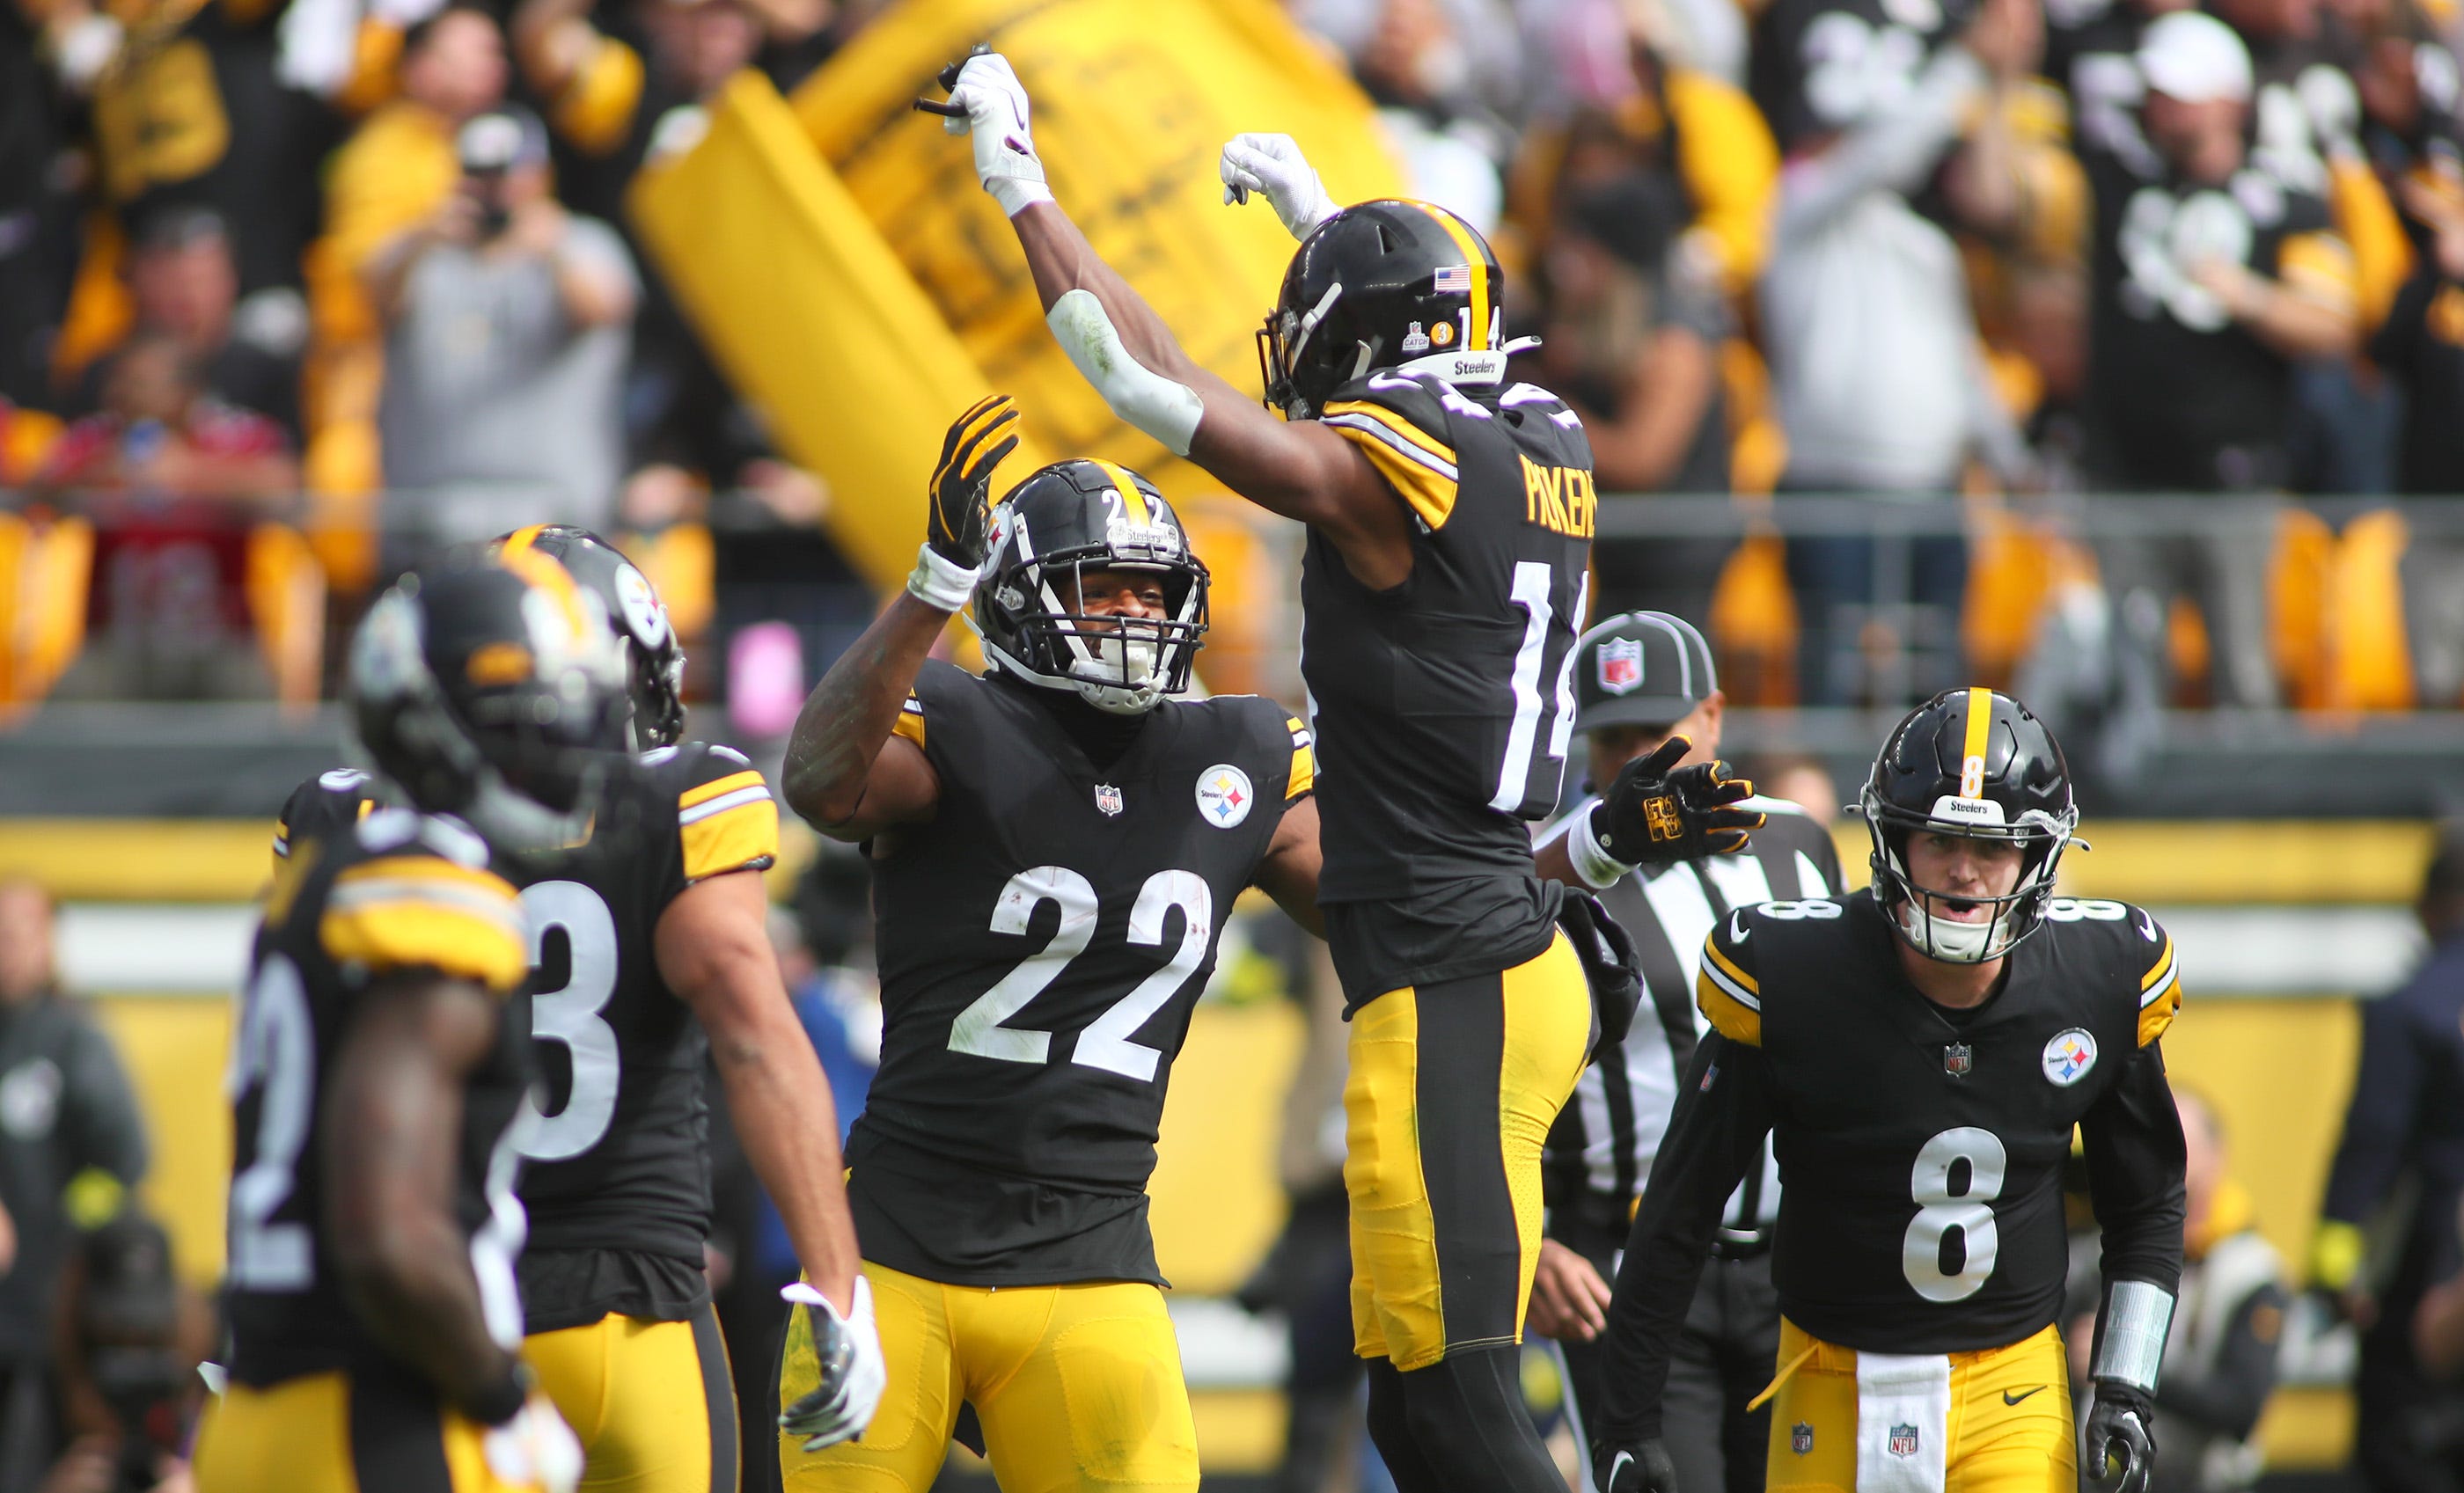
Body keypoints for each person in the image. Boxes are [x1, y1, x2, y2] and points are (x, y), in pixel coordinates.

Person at [931, 54, 1769, 1488]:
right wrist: (1326, 222)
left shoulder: (1409, 458)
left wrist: (1020, 182)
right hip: (1493, 947)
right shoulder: (1543, 431)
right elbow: (1446, 336)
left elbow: (1145, 378)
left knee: (1453, 1396)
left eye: (1323, 342)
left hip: (1450, 970)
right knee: (1410, 1404)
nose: (1300, 373)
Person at [771, 399, 1325, 1490]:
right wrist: (932, 583)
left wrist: (1574, 853)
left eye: (1152, 588)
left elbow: (1395, 903)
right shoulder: (955, 716)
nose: (1131, 611)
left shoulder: (1239, 747)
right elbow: (821, 781)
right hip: (894, 1249)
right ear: (1020, 599)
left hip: (1091, 1259)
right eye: (1099, 586)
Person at [275, 525, 884, 1489]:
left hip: (422, 1312)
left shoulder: (348, 821)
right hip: (626, 1307)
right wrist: (836, 1278)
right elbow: (754, 1037)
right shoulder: (679, 799)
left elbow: (303, 1094)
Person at [1593, 688, 2189, 1493]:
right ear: (1891, 840)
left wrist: (2123, 1386)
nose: (1964, 869)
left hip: (2010, 1381)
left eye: (1995, 843)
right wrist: (1627, 1417)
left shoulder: (2101, 977)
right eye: (1939, 837)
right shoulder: (1796, 976)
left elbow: (2147, 1204)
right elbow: (1679, 1206)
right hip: (1830, 1371)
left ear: (2039, 857)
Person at [194, 552, 634, 1493]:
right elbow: (389, 1234)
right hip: (379, 1418)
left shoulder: (325, 873)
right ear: (430, 723)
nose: (559, 742)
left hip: (262, 1411)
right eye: (526, 718)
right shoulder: (433, 892)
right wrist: (502, 1392)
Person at [1529, 612, 1844, 1493]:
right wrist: (1534, 1240)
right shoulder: (1548, 871)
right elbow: (1479, 1070)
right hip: (1628, 1265)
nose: (1636, 759)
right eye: (1612, 737)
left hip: (1797, 1261)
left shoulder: (1796, 839)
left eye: (1654, 731)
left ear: (1711, 714)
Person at [1751, 0, 2041, 704]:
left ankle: (1935, 815)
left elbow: (1960, 362)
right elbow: (1886, 153)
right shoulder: (1796, 212)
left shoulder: (1923, 240)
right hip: (1833, 485)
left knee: (1939, 686)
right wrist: (1966, 62)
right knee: (1833, 676)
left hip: (1932, 487)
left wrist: (2010, 459)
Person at [2081, 12, 2358, 709]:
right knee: (2128, 680)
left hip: (2235, 475)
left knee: (2244, 669)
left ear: (2230, 99)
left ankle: (2254, 809)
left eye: (2181, 92)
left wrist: (2245, 295)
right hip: (2125, 473)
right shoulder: (2120, 179)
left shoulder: (2285, 198)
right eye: (2158, 92)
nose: (2161, 107)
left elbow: (2333, 324)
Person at [367, 106, 638, 559]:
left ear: (539, 175)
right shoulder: (421, 254)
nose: (493, 191)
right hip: (436, 518)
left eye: (505, 175)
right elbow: (369, 301)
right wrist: (425, 236)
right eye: (478, 175)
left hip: (557, 520)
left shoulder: (579, 245)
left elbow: (604, 307)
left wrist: (545, 246)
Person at [2307, 833, 2464, 1493]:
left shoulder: (2411, 1009)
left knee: (2397, 1442)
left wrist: (2336, 1265)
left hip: (2427, 1266)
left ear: (2431, 905)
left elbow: (2374, 1136)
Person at [0, 880, 149, 1493]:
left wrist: (65, 1234)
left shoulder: (72, 1040)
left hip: (45, 1327)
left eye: (15, 935)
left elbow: (123, 1164)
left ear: (48, 944)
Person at [2069, 1089, 2285, 1493]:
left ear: (2218, 1157)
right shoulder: (2107, 1247)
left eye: (2179, 1148)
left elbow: (2241, 1407)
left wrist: (2125, 1365)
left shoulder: (2253, 1271)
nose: (2161, 1163)